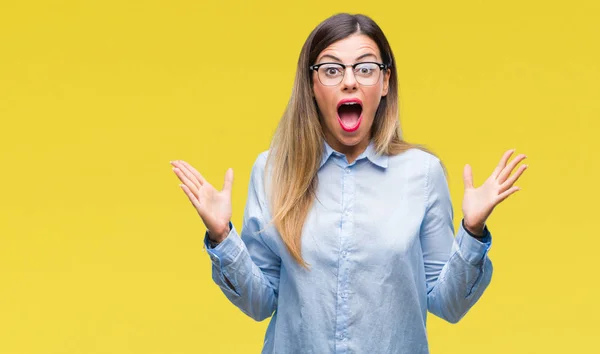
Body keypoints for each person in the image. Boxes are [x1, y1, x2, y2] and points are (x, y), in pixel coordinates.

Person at [171, 13, 527, 354]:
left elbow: (448, 304)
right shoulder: (273, 170)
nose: (349, 80)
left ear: (385, 82)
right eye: (331, 70)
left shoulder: (422, 173)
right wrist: (222, 237)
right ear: (311, 84)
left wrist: (473, 231)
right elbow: (260, 302)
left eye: (366, 68)